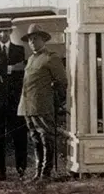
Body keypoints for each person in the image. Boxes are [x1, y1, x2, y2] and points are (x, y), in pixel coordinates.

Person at [16, 23, 68, 181]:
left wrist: (56, 98)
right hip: (28, 106)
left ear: (43, 39)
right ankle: (37, 172)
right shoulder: (31, 59)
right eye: (30, 39)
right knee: (35, 138)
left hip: (43, 105)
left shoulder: (51, 57)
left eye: (35, 38)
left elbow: (62, 81)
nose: (32, 42)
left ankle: (46, 172)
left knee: (46, 137)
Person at [0, 18, 28, 180]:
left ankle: (21, 168)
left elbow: (21, 71)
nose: (3, 34)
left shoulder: (19, 50)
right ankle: (1, 170)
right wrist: (11, 68)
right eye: (0, 31)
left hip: (15, 100)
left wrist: (2, 71)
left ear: (10, 32)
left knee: (19, 134)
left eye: (6, 31)